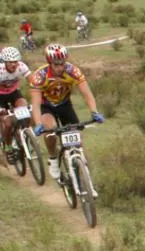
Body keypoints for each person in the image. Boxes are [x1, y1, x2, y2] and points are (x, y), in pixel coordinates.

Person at [28, 44, 104, 180]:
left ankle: (82, 171)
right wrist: (39, 123)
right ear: (49, 62)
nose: (59, 67)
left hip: (64, 105)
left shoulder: (72, 71)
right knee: (51, 131)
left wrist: (94, 112)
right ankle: (53, 159)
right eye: (55, 64)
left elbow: (87, 94)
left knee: (76, 139)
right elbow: (35, 103)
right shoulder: (40, 76)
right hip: (46, 107)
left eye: (62, 64)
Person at [0, 47, 32, 162]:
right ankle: (8, 147)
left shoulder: (22, 66)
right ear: (5, 62)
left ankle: (24, 136)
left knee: (25, 111)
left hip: (13, 93)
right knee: (8, 123)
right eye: (10, 62)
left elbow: (33, 81)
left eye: (15, 61)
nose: (14, 64)